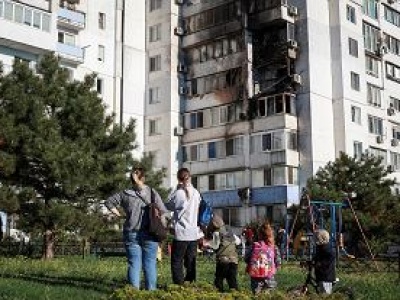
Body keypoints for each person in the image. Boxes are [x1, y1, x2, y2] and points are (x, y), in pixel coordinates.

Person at [104, 167, 167, 290]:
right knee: (150, 264)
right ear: (144, 178)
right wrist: (162, 230)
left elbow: (108, 202)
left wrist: (119, 214)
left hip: (131, 232)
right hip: (151, 232)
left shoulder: (125, 194)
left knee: (134, 264)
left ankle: (133, 294)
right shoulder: (152, 192)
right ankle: (151, 294)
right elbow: (163, 212)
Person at [166, 167, 202, 285]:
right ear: (189, 177)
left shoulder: (178, 193)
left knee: (177, 261)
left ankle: (179, 284)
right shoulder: (196, 193)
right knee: (191, 260)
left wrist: (176, 189)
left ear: (178, 179)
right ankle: (190, 282)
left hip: (181, 233)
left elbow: (168, 205)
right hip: (193, 233)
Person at [204, 214, 241, 292]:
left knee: (219, 279)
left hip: (223, 260)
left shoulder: (216, 233)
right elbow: (238, 242)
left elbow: (215, 246)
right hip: (234, 260)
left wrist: (207, 244)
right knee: (232, 280)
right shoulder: (229, 231)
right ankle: (236, 295)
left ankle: (219, 295)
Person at [245, 222, 281, 294]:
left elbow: (246, 258)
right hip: (269, 276)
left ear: (259, 234)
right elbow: (278, 262)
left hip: (256, 276)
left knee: (257, 295)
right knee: (269, 295)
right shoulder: (273, 247)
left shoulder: (254, 245)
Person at [313, 229, 336, 295]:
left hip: (326, 275)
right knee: (321, 293)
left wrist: (321, 263)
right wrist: (309, 262)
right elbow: (316, 257)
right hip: (320, 274)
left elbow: (331, 257)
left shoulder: (326, 248)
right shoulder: (319, 247)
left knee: (325, 295)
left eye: (315, 237)